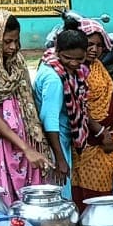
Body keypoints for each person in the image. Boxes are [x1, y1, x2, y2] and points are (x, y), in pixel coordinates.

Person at [0, 8, 50, 202]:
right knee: (1, 203)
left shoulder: (16, 62)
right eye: (7, 42)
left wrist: (29, 146)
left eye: (16, 40)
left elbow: (27, 101)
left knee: (29, 202)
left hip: (23, 139)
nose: (13, 47)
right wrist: (26, 149)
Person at [36, 23, 96, 199]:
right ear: (57, 51)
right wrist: (60, 159)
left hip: (62, 140)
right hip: (55, 143)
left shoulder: (53, 65)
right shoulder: (54, 79)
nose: (74, 63)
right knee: (60, 198)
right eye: (68, 58)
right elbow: (49, 119)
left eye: (79, 59)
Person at [70, 19, 113, 208]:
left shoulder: (97, 66)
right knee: (92, 197)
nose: (94, 49)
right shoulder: (76, 71)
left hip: (106, 139)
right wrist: (101, 133)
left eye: (99, 45)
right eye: (90, 44)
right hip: (90, 141)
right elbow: (78, 107)